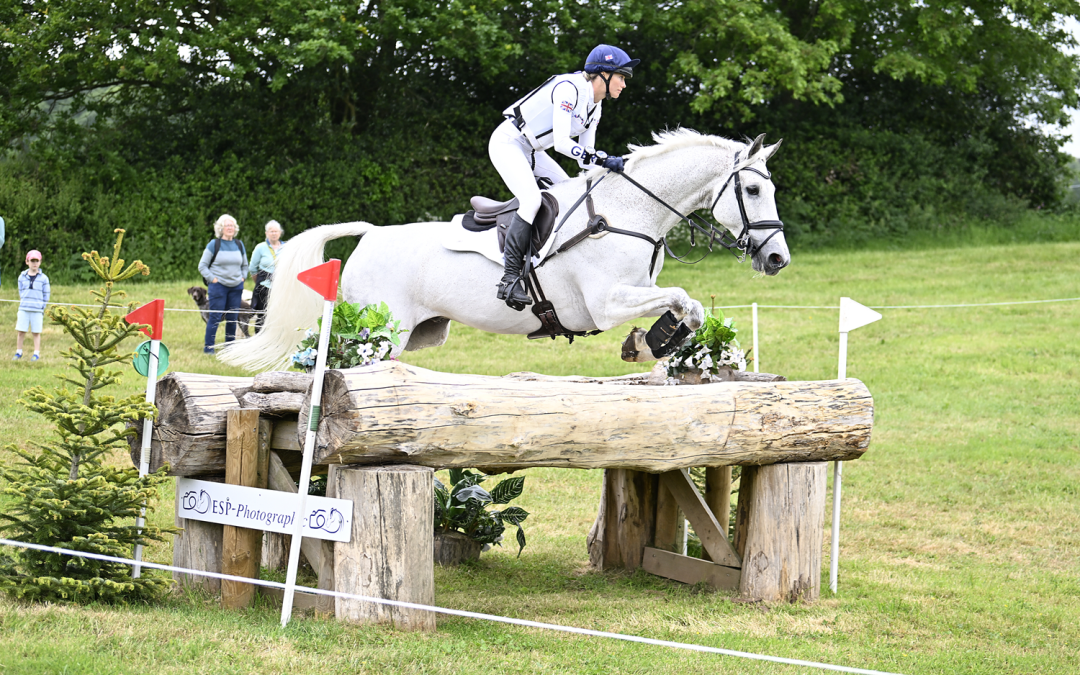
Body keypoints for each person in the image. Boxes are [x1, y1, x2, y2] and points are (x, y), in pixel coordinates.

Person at [488, 44, 638, 310]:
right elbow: (561, 143)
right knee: (531, 201)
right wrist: (601, 159)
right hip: (508, 142)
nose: (624, 84)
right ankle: (509, 278)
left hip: (533, 151)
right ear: (603, 74)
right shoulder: (569, 88)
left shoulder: (596, 107)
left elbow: (584, 158)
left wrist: (608, 165)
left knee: (572, 196)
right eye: (621, 77)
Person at [197, 214, 248, 354]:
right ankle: (209, 348)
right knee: (215, 317)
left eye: (232, 226)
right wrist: (213, 279)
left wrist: (243, 277)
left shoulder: (239, 244)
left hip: (236, 287)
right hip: (218, 287)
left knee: (232, 317)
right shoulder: (214, 245)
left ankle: (229, 348)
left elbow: (245, 265)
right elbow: (202, 266)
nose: (230, 228)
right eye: (227, 226)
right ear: (221, 228)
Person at [248, 220, 285, 333]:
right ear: (266, 233)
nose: (274, 233)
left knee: (279, 315)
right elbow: (253, 268)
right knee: (263, 316)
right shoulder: (260, 247)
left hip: (282, 288)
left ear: (280, 232)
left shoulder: (287, 247)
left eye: (276, 231)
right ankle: (259, 338)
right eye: (271, 231)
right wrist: (260, 281)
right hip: (264, 287)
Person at [13, 249, 50, 361]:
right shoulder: (21, 277)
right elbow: (21, 292)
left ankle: (36, 353)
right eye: (32, 261)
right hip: (24, 309)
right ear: (27, 262)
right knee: (21, 331)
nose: (34, 263)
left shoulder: (44, 278)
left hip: (37, 310)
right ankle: (18, 352)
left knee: (36, 332)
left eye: (37, 261)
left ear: (40, 262)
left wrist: (41, 307)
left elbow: (46, 294)